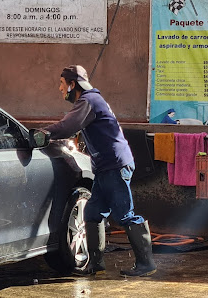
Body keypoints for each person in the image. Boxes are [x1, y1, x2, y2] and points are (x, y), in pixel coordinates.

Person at [43, 65, 157, 277]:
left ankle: (146, 264)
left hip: (114, 166)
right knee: (92, 213)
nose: (59, 88)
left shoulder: (88, 100)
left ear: (72, 84)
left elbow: (69, 125)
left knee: (124, 214)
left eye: (61, 83)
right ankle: (96, 265)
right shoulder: (89, 100)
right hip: (106, 167)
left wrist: (44, 133)